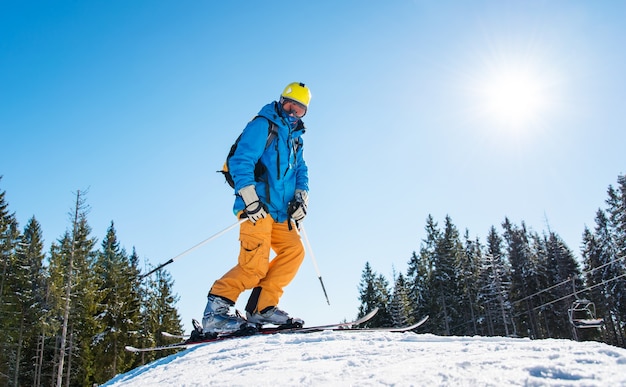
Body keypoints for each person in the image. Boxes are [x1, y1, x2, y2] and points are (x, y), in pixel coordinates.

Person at [201, 82, 311, 336]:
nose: (292, 113)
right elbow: (241, 159)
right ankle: (215, 313)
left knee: (294, 251)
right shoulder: (264, 124)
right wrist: (249, 197)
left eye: (299, 110)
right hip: (257, 208)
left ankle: (262, 307)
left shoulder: (296, 140)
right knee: (254, 266)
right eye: (289, 105)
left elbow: (301, 171)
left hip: (280, 212)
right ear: (281, 101)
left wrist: (300, 197)